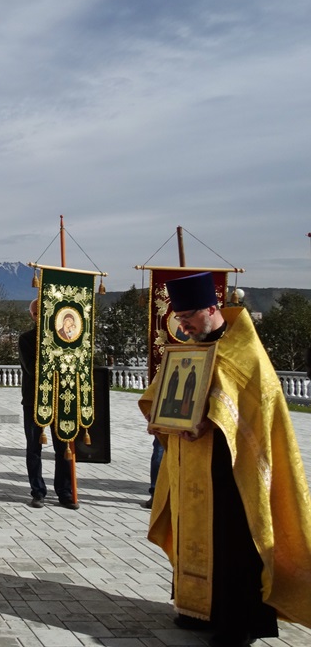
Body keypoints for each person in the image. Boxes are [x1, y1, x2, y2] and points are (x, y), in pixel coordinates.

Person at [140, 272, 311, 646]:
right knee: (194, 537)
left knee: (234, 544)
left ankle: (241, 625)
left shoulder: (243, 351)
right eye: (179, 317)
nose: (181, 324)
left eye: (188, 316)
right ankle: (199, 610)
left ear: (212, 308)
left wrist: (210, 424)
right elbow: (162, 396)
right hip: (192, 465)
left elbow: (256, 412)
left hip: (234, 470)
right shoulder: (187, 348)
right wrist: (162, 421)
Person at [19, 299, 77, 510]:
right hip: (34, 401)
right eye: (35, 313)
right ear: (32, 316)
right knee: (34, 448)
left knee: (64, 448)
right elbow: (33, 369)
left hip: (61, 399)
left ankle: (65, 492)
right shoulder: (25, 339)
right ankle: (38, 491)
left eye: (42, 312)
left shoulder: (63, 339)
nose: (38, 315)